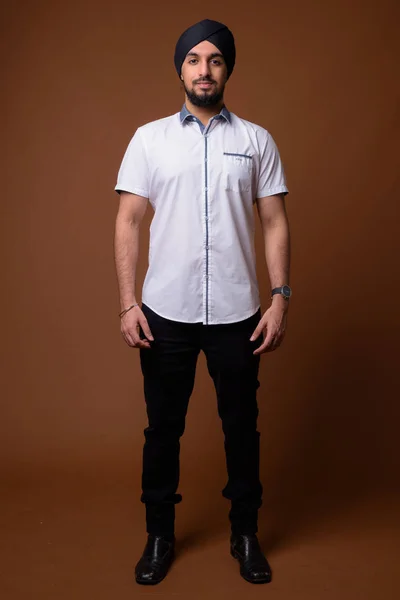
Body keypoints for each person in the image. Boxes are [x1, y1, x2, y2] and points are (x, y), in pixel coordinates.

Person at [113, 18, 291, 586]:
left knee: (242, 428)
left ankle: (246, 535)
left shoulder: (256, 140)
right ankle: (159, 536)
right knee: (162, 429)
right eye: (194, 59)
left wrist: (280, 296)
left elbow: (275, 223)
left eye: (215, 59)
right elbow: (128, 221)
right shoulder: (149, 139)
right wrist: (127, 302)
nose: (204, 69)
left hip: (238, 315)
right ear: (180, 68)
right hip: (165, 313)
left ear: (227, 68)